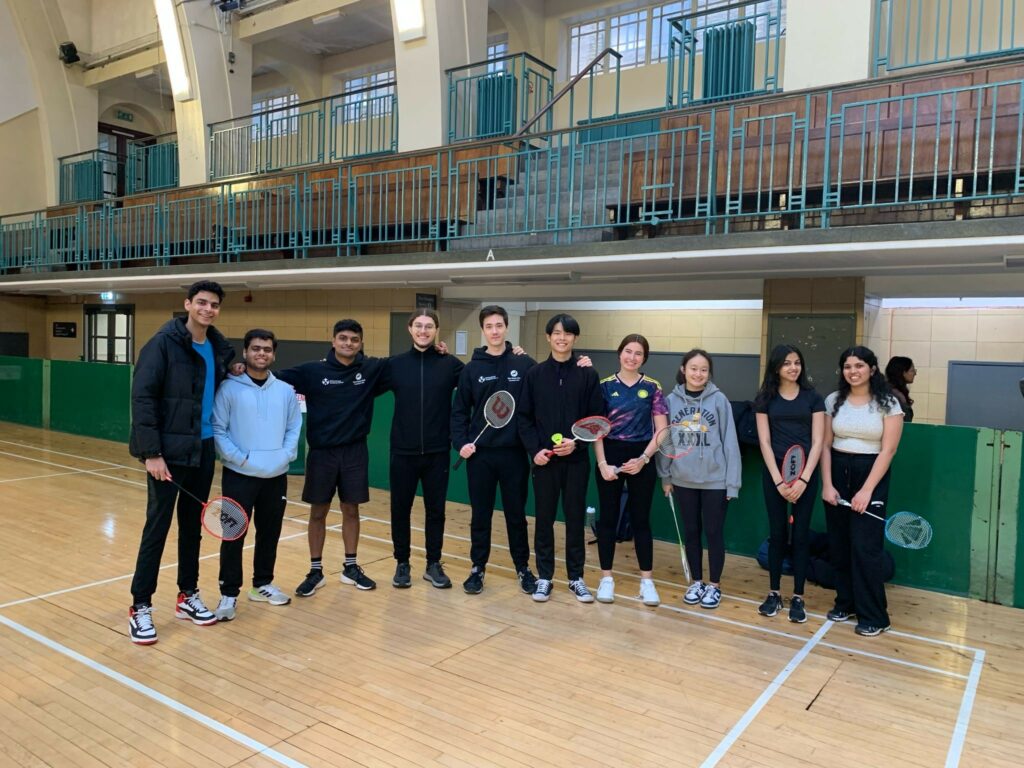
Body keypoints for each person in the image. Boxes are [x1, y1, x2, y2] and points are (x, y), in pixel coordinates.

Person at [127, 280, 235, 645]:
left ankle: (187, 595)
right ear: (188, 304)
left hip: (202, 449)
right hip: (168, 453)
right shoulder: (162, 344)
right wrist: (151, 452)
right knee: (156, 528)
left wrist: (232, 368)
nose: (207, 309)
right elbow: (142, 398)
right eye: (201, 302)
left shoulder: (218, 348)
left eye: (214, 304)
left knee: (192, 527)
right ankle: (140, 606)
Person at [276, 319, 391, 596]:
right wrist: (239, 368)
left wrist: (438, 350)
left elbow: (408, 362)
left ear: (360, 343)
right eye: (343, 338)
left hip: (354, 452)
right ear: (333, 341)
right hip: (321, 454)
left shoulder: (371, 369)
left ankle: (350, 567)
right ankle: (316, 571)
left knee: (351, 509)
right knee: (318, 512)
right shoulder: (312, 371)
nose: (348, 343)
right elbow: (271, 376)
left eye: (354, 339)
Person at [211, 329, 302, 621]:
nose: (261, 353)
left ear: (273, 354)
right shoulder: (228, 388)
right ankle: (228, 593)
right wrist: (240, 458)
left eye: (266, 349)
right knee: (233, 533)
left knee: (270, 532)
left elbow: (293, 429)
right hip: (238, 475)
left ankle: (262, 583)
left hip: (276, 476)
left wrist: (285, 456)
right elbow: (218, 430)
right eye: (255, 349)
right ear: (246, 352)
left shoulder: (286, 391)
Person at [451, 305, 539, 595]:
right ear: (483, 330)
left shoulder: (524, 364)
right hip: (481, 456)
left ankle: (523, 568)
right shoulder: (472, 369)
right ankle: (477, 568)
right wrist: (461, 442)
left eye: (499, 325)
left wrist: (581, 364)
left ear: (506, 328)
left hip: (514, 454)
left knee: (516, 515)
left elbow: (547, 385)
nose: (495, 330)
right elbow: (460, 412)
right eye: (489, 326)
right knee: (481, 515)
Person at [518, 313, 604, 603]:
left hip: (576, 462)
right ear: (548, 337)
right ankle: (544, 577)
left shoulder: (587, 374)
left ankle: (576, 577)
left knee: (575, 518)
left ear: (575, 338)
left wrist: (577, 443)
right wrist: (535, 451)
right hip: (544, 461)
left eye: (567, 333)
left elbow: (596, 419)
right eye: (556, 333)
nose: (562, 338)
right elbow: (524, 418)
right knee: (543, 519)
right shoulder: (535, 374)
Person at [821, 346, 904, 637]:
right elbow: (825, 445)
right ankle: (846, 602)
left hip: (871, 475)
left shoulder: (888, 402)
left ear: (872, 368)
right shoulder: (833, 400)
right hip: (838, 471)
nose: (853, 371)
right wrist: (827, 484)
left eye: (859, 365)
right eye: (847, 366)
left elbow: (889, 449)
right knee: (840, 545)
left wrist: (866, 490)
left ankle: (875, 616)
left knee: (866, 548)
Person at [657, 349, 741, 610]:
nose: (698, 374)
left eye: (703, 369)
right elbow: (665, 440)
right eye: (693, 368)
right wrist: (665, 475)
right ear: (683, 369)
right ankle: (697, 581)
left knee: (714, 533)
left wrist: (732, 482)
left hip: (715, 481)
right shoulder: (670, 401)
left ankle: (714, 586)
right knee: (691, 532)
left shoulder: (719, 400)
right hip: (683, 480)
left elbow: (730, 442)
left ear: (709, 373)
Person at [386, 309, 464, 590]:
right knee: (400, 510)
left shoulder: (450, 365)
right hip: (402, 452)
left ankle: (433, 563)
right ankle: (402, 562)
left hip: (437, 452)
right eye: (418, 325)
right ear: (409, 329)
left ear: (436, 330)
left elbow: (479, 380)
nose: (423, 330)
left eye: (429, 326)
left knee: (436, 511)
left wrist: (515, 355)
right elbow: (360, 378)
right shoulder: (394, 365)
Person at [593, 334, 668, 606]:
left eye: (638, 353)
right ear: (619, 353)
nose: (632, 357)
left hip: (641, 456)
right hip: (610, 453)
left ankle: (647, 581)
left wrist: (644, 459)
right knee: (608, 520)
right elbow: (597, 429)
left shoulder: (653, 387)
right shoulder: (604, 386)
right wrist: (602, 464)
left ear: (644, 358)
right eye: (628, 351)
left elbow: (661, 431)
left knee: (640, 521)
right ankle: (606, 579)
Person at [753, 344, 825, 624]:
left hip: (805, 477)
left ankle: (798, 596)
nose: (793, 367)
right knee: (777, 533)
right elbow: (764, 442)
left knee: (802, 535)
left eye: (796, 362)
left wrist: (804, 478)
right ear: (776, 367)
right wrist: (779, 481)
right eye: (786, 363)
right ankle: (774, 593)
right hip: (775, 477)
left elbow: (818, 441)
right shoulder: (764, 399)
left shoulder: (813, 398)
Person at [884, 356, 916, 423]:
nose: (915, 373)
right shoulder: (893, 395)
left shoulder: (892, 391)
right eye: (912, 370)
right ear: (904, 373)